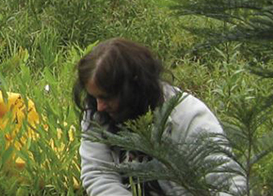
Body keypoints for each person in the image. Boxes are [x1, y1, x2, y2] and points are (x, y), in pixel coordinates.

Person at [73, 38, 245, 196]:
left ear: (133, 89)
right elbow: (98, 174)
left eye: (106, 97)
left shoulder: (190, 119)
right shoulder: (99, 113)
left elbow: (230, 185)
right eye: (94, 97)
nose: (99, 106)